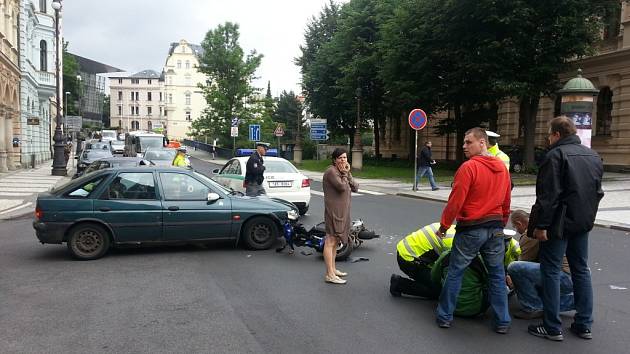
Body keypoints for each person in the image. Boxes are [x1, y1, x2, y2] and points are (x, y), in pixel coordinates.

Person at [527, 116, 604, 341]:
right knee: (581, 269)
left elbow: (548, 196)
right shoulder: (592, 155)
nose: (548, 139)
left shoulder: (555, 155)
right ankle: (584, 324)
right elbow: (597, 192)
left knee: (550, 270)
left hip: (557, 223)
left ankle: (552, 326)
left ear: (557, 134)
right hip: (582, 222)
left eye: (549, 135)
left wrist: (541, 226)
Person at [435, 127, 512, 333]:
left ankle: (444, 315)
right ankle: (502, 321)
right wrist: (502, 221)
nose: (464, 146)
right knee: (496, 274)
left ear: (482, 143)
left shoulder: (468, 168)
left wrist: (444, 226)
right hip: (495, 227)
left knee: (456, 271)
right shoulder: (502, 169)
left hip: (471, 228)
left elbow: (456, 201)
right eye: (464, 143)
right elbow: (506, 200)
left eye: (469, 142)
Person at [506, 210, 574, 320]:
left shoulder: (531, 233)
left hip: (563, 276)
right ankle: (575, 301)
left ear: (519, 223)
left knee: (514, 268)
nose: (516, 230)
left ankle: (532, 306)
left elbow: (523, 263)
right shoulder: (548, 227)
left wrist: (511, 280)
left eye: (515, 227)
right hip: (574, 275)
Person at [390, 223, 455, 298]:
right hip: (408, 260)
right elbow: (447, 269)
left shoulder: (458, 229)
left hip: (406, 249)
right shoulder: (454, 244)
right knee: (441, 290)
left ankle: (424, 280)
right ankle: (399, 284)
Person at [322, 148, 358, 284]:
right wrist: (344, 174)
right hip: (333, 212)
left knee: (336, 241)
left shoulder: (342, 172)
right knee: (330, 241)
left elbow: (355, 187)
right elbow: (342, 187)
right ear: (334, 160)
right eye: (340, 158)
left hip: (343, 212)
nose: (343, 160)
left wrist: (347, 173)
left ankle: (333, 269)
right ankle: (329, 274)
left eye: (345, 157)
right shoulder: (331, 171)